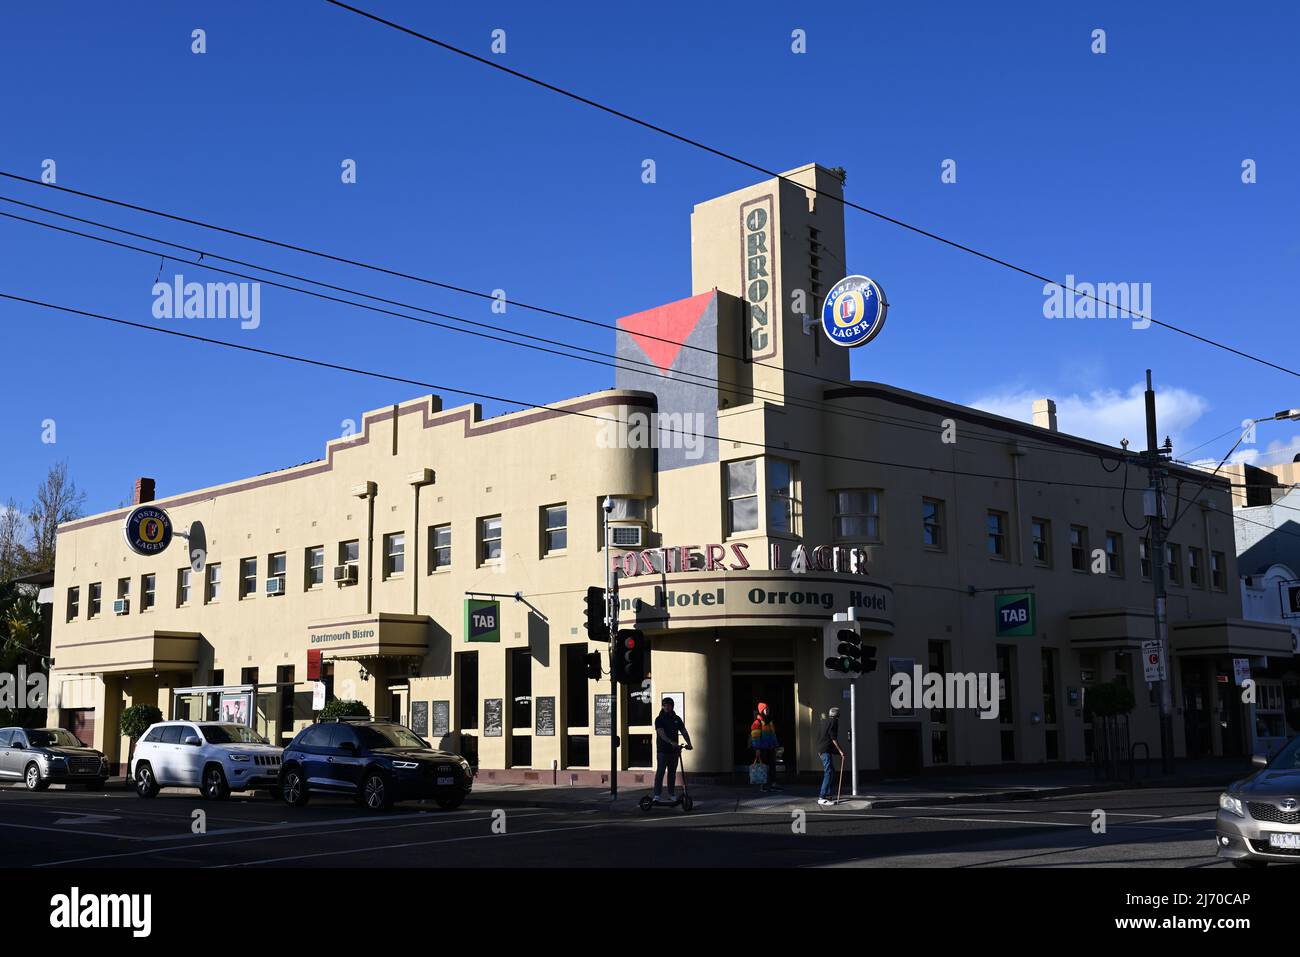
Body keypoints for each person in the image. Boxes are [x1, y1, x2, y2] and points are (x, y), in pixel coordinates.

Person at [653, 697, 692, 801]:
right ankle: (657, 795)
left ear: (672, 706)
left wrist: (689, 744)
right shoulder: (659, 719)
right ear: (662, 706)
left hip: (674, 751)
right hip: (663, 750)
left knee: (672, 773)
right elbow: (661, 733)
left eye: (669, 705)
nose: (667, 707)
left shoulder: (677, 719)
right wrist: (671, 742)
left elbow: (683, 731)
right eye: (665, 705)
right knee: (660, 772)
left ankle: (671, 794)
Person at [750, 701, 780, 791]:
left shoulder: (770, 721)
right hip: (762, 748)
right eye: (765, 709)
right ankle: (762, 785)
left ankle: (773, 784)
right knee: (763, 767)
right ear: (761, 710)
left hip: (771, 747)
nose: (767, 710)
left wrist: (776, 744)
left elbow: (773, 734)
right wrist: (757, 749)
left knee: (772, 766)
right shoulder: (757, 722)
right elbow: (755, 737)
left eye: (768, 709)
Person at [817, 707, 844, 806]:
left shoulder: (824, 722)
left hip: (821, 749)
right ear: (837, 715)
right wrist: (840, 751)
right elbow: (833, 738)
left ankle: (827, 794)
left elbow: (823, 737)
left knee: (831, 771)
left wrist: (836, 752)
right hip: (825, 751)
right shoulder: (834, 722)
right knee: (828, 772)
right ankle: (822, 796)